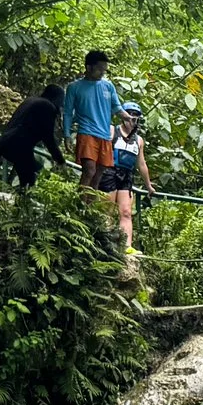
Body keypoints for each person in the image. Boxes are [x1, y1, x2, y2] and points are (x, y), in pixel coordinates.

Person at [101, 104, 154, 261]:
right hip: (109, 171)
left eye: (135, 115)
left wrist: (148, 185)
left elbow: (141, 163)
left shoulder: (138, 140)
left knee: (126, 211)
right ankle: (105, 243)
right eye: (129, 114)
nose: (132, 117)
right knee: (107, 209)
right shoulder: (112, 131)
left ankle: (126, 246)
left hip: (126, 175)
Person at [61, 51, 120, 190]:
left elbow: (117, 107)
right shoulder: (74, 87)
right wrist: (67, 135)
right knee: (89, 171)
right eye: (100, 69)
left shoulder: (108, 86)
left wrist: (127, 117)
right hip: (86, 132)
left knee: (99, 174)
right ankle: (79, 205)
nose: (102, 73)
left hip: (104, 135)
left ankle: (88, 207)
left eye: (104, 70)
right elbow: (68, 113)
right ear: (89, 67)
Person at [0, 84, 67, 189]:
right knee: (29, 180)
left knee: (27, 175)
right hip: (20, 145)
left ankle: (19, 199)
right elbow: (48, 137)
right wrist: (60, 159)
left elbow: (13, 124)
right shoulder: (48, 107)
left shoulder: (31, 101)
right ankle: (22, 202)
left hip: (7, 142)